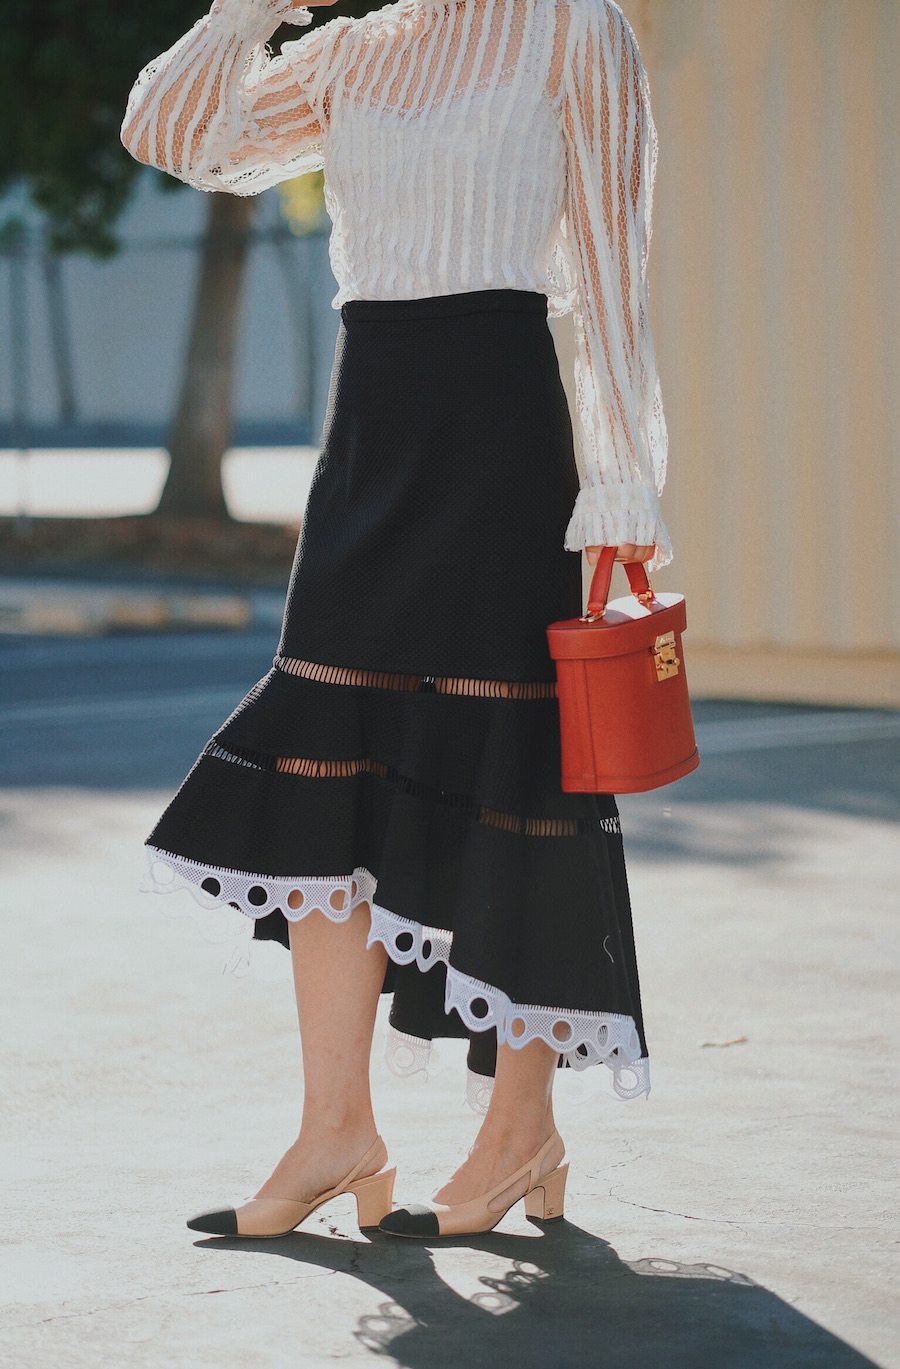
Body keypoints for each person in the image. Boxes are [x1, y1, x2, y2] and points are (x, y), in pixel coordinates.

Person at [120, 0, 673, 1240]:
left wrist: (625, 485)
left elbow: (610, 266)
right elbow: (168, 131)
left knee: (518, 775)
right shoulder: (353, 54)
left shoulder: (572, 29)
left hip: (504, 436)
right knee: (324, 760)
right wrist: (250, 9)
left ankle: (521, 1130)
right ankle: (337, 1131)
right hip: (371, 430)